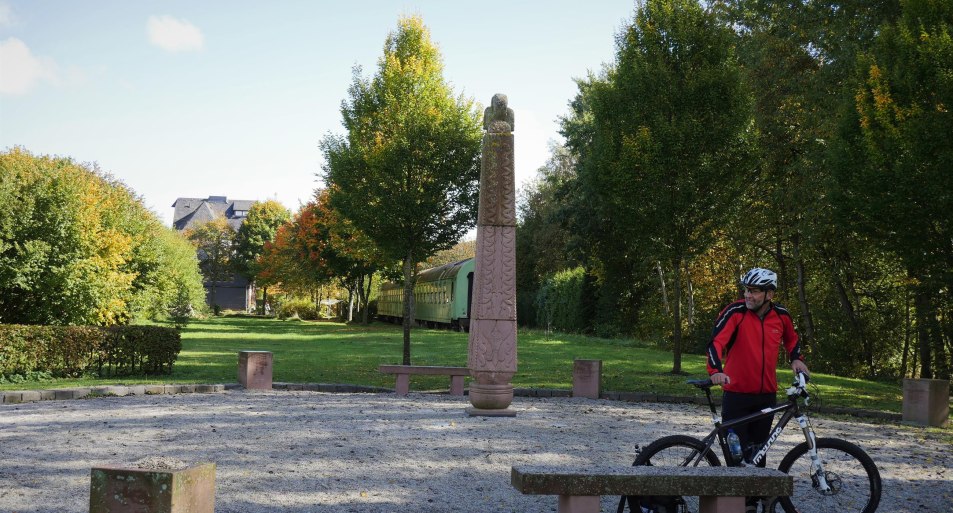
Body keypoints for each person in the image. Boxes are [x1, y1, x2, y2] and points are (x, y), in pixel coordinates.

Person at [707, 268, 809, 460]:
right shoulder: (735, 312)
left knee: (757, 456)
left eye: (754, 291)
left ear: (769, 294)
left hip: (766, 396)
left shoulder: (781, 315)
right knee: (735, 458)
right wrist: (715, 370)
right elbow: (715, 342)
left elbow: (792, 339)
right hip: (737, 394)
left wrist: (796, 358)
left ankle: (757, 490)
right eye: (746, 290)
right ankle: (734, 489)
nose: (747, 295)